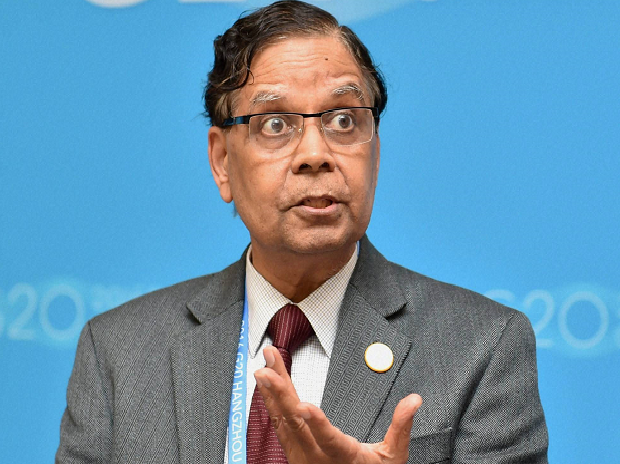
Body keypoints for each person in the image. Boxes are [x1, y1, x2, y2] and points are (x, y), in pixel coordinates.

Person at [56, 1, 548, 463]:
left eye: (342, 119)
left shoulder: (481, 347)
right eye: (275, 124)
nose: (316, 153)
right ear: (222, 162)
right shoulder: (119, 353)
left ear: (375, 151)